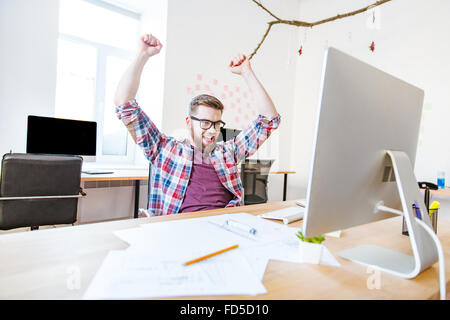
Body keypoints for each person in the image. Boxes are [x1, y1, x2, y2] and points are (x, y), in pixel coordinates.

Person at [114, 33, 280, 216]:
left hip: (225, 225)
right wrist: (143, 55)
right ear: (188, 123)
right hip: (181, 229)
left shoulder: (227, 153)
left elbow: (269, 120)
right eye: (205, 123)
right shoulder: (164, 149)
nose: (212, 131)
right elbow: (125, 104)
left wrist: (246, 72)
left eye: (217, 124)